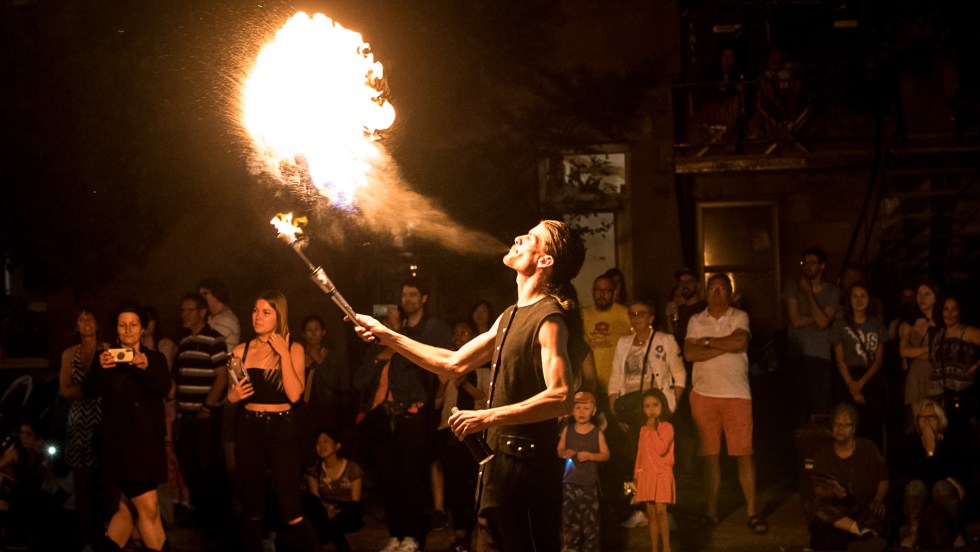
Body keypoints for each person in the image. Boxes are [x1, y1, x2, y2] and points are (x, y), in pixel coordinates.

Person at [353, 219, 587, 552]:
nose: (519, 236)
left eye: (532, 237)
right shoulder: (509, 317)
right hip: (496, 475)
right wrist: (387, 334)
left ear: (545, 260)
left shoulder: (549, 319)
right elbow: (453, 363)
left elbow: (561, 397)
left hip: (526, 479)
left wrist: (487, 417)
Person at [355, 279, 451, 552]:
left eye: (412, 294)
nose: (406, 299)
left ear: (424, 298)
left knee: (411, 478)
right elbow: (358, 380)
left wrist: (397, 338)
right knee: (389, 479)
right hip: (383, 419)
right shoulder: (379, 343)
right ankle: (396, 536)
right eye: (403, 295)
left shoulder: (428, 330)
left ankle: (412, 537)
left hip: (413, 414)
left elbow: (433, 365)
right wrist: (381, 348)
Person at [226, 291, 319, 552]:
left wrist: (283, 354)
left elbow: (294, 394)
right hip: (249, 427)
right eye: (255, 311)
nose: (258, 317)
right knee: (252, 508)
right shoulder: (240, 350)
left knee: (291, 507)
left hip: (282, 428)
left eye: (266, 312)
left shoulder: (293, 348)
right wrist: (231, 396)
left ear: (279, 316)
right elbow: (233, 396)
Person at [85, 304, 172, 552]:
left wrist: (144, 368)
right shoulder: (107, 358)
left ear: (143, 329)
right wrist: (101, 367)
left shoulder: (155, 358)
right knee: (148, 508)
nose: (128, 330)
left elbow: (162, 389)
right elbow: (89, 391)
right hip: (118, 446)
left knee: (127, 511)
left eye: (134, 324)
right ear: (116, 329)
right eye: (123, 325)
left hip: (147, 444)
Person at [684, 273, 765, 534]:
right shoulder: (696, 320)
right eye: (713, 288)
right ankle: (711, 512)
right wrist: (724, 345)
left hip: (737, 394)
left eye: (723, 288)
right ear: (706, 292)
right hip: (704, 395)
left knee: (744, 454)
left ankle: (752, 511)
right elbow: (689, 353)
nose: (718, 293)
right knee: (709, 457)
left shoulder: (739, 317)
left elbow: (740, 341)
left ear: (730, 292)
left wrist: (706, 342)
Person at [608, 299, 685, 529]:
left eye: (641, 314)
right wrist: (615, 411)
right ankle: (636, 508)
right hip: (630, 410)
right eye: (632, 314)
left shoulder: (665, 341)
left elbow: (679, 376)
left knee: (660, 464)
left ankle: (663, 509)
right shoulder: (623, 343)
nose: (636, 318)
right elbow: (615, 378)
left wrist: (668, 407)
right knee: (631, 463)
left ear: (651, 317)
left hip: (654, 409)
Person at [172, 292, 228, 534]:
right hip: (185, 416)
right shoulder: (183, 343)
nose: (184, 315)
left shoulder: (215, 340)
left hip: (204, 416)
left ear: (202, 312)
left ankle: (216, 519)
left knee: (208, 466)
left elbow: (222, 376)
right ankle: (200, 513)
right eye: (182, 310)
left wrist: (207, 406)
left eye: (189, 310)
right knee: (191, 467)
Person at [431, 320, 484, 551]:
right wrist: (444, 383)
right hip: (450, 433)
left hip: (477, 433)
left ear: (474, 336)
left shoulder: (484, 366)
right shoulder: (447, 365)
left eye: (463, 333)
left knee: (476, 485)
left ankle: (477, 535)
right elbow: (436, 403)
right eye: (455, 333)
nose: (458, 337)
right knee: (455, 486)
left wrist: (464, 384)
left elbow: (487, 399)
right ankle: (460, 535)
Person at [808, 403, 888, 551]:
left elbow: (883, 479)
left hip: (865, 507)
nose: (840, 429)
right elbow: (818, 489)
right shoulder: (823, 454)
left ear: (854, 429)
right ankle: (861, 535)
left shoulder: (867, 447)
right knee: (821, 514)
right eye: (837, 424)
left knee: (879, 516)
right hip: (838, 515)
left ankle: (864, 539)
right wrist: (832, 492)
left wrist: (878, 498)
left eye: (845, 425)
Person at [58, 307, 103, 549]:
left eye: (90, 317)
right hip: (80, 422)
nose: (86, 322)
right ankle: (86, 540)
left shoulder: (107, 350)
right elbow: (66, 388)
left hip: (105, 418)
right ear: (76, 326)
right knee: (83, 485)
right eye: (81, 319)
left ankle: (109, 535)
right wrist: (90, 390)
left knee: (107, 482)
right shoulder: (69, 354)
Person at [897, 399, 968, 548]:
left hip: (943, 490)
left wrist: (932, 452)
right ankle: (914, 531)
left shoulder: (951, 440)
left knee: (941, 487)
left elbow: (956, 470)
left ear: (939, 420)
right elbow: (913, 474)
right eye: (922, 418)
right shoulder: (912, 441)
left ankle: (953, 532)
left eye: (931, 417)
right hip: (921, 489)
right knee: (915, 486)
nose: (926, 422)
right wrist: (929, 451)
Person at [784, 247, 841, 424]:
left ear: (822, 266)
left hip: (821, 357)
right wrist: (820, 315)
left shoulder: (832, 291)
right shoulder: (792, 286)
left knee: (820, 407)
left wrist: (808, 293)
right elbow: (795, 320)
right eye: (805, 262)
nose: (807, 266)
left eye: (812, 262)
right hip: (797, 355)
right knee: (798, 406)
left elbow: (823, 323)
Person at [830, 282, 887, 449]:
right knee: (848, 423)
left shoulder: (877, 324)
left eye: (863, 296)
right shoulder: (840, 325)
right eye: (855, 296)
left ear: (869, 300)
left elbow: (878, 360)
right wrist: (852, 385)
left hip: (870, 377)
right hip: (848, 376)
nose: (859, 300)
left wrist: (861, 383)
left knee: (872, 425)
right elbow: (840, 360)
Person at [558, 391, 609, 552]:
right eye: (578, 408)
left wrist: (590, 455)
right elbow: (560, 450)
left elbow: (606, 454)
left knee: (590, 523)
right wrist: (565, 453)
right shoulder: (568, 430)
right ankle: (571, 547)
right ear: (572, 410)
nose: (581, 412)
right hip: (570, 485)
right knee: (570, 521)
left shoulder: (597, 432)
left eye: (586, 408)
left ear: (593, 411)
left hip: (588, 485)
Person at [303, 431, 364, 552]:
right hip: (324, 507)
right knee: (308, 501)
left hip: (346, 508)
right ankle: (333, 536)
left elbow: (355, 500)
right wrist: (325, 508)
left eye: (325, 441)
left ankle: (325, 535)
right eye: (318, 443)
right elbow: (315, 498)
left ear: (337, 445)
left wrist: (337, 512)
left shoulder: (352, 468)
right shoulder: (314, 470)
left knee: (355, 509)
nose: (321, 445)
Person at [299, 314, 347, 460]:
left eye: (317, 329)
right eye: (309, 330)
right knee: (305, 451)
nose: (313, 334)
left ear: (324, 332)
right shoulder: (297, 354)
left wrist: (319, 360)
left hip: (325, 411)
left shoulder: (331, 355)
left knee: (326, 452)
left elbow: (332, 381)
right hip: (302, 410)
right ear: (303, 334)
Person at [929, 295, 979, 436]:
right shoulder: (939, 334)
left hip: (960, 395)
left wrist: (977, 364)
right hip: (939, 396)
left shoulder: (967, 332)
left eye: (954, 309)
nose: (949, 313)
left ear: (960, 311)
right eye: (946, 309)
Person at [633, 389, 676, 552]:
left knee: (660, 512)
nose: (651, 410)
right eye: (647, 406)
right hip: (646, 476)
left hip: (662, 476)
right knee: (650, 513)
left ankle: (666, 547)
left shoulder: (667, 427)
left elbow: (661, 448)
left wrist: (652, 430)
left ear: (662, 406)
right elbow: (639, 456)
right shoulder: (643, 429)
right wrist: (635, 481)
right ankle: (654, 548)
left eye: (655, 405)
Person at [582, 274, 632, 400]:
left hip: (619, 386)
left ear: (614, 292)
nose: (601, 294)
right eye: (598, 290)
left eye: (606, 290)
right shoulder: (583, 314)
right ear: (592, 292)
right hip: (591, 386)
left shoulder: (626, 313)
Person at [899, 282, 942, 426]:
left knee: (940, 422)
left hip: (937, 374)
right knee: (919, 424)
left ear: (936, 297)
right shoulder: (909, 324)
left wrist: (918, 353)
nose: (922, 298)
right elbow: (904, 351)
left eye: (927, 294)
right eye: (919, 294)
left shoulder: (943, 322)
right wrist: (928, 350)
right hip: (917, 375)